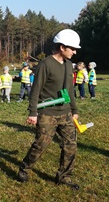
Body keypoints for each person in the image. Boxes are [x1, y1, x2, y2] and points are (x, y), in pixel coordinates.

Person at [17, 29, 81, 190]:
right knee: (41, 145)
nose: (74, 52)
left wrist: (74, 109)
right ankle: (25, 168)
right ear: (62, 47)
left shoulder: (68, 65)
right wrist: (33, 113)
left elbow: (70, 89)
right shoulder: (45, 64)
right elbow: (35, 90)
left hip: (65, 113)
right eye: (72, 48)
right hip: (47, 114)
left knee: (70, 145)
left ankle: (64, 176)